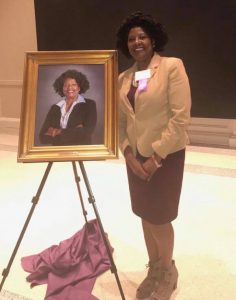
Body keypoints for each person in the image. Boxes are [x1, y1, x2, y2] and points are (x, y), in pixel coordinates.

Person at [116, 12, 191, 300]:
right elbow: (122, 123)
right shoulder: (124, 78)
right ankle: (154, 268)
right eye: (132, 38)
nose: (137, 42)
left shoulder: (172, 67)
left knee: (160, 218)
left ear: (153, 39)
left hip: (166, 157)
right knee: (145, 216)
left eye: (142, 37)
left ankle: (168, 270)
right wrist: (128, 153)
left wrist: (155, 157)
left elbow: (180, 118)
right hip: (136, 159)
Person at [39, 69, 97, 146]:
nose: (70, 88)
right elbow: (42, 137)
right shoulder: (55, 108)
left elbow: (87, 132)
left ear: (79, 87)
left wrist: (58, 132)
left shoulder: (89, 105)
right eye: (66, 85)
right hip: (58, 152)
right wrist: (75, 131)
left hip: (79, 152)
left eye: (74, 85)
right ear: (62, 88)